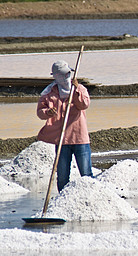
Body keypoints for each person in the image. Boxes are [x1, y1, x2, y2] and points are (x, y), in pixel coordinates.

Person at [37, 60, 93, 191]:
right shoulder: (49, 93)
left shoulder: (79, 89)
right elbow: (40, 113)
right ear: (56, 76)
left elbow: (84, 105)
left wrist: (76, 91)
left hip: (79, 138)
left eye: (68, 74)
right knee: (62, 176)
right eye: (63, 74)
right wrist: (48, 112)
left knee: (86, 175)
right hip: (62, 140)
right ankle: (62, 200)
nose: (66, 77)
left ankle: (92, 197)